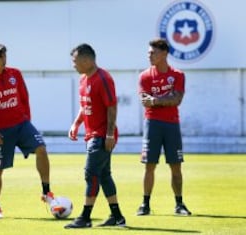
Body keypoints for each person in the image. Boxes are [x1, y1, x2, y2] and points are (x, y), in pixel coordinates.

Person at [0, 43, 54, 219]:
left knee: (41, 148)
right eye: (0, 57)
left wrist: (28, 123)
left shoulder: (15, 74)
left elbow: (24, 98)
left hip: (22, 125)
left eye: (4, 56)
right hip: (0, 132)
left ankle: (47, 192)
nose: (4, 59)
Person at [64, 43, 126, 229]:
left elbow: (112, 106)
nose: (73, 65)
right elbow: (85, 106)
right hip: (92, 135)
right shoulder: (84, 79)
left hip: (101, 136)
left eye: (75, 61)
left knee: (91, 175)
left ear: (87, 60)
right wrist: (76, 123)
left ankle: (85, 217)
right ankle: (117, 217)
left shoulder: (103, 78)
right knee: (104, 176)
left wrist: (109, 134)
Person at [137, 38, 191, 216]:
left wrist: (156, 100)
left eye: (153, 53)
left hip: (172, 125)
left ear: (165, 53)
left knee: (176, 166)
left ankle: (179, 204)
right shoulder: (144, 76)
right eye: (148, 52)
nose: (149, 56)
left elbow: (177, 99)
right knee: (149, 166)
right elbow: (146, 102)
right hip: (152, 124)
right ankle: (145, 204)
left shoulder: (177, 75)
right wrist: (162, 100)